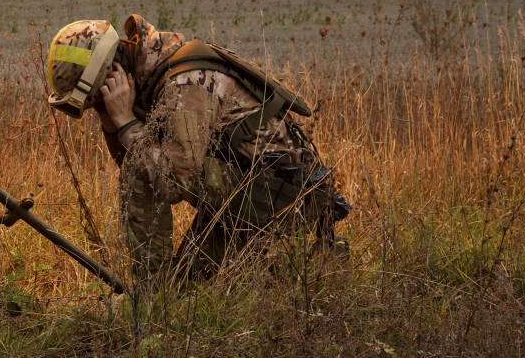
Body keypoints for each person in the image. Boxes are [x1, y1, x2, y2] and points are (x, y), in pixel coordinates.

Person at [46, 14, 349, 288]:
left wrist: (125, 122)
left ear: (112, 71)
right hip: (248, 191)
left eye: (95, 98)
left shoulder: (184, 83)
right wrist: (110, 120)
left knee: (145, 169)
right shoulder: (149, 73)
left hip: (279, 195)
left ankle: (151, 296)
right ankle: (315, 266)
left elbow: (171, 179)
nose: (96, 105)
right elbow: (134, 161)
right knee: (188, 289)